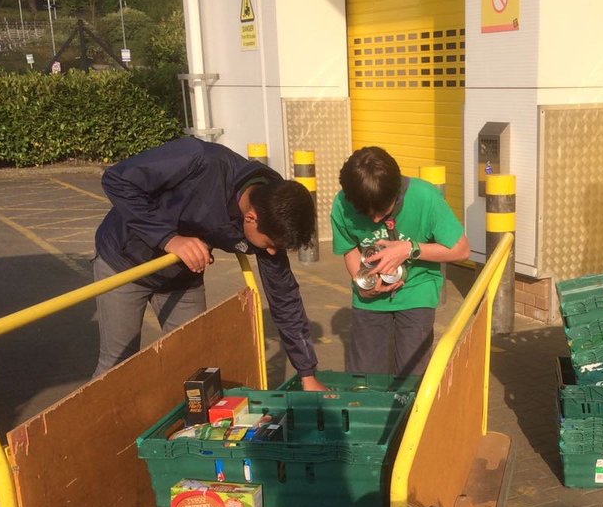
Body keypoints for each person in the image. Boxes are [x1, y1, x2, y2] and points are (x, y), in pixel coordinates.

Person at [92, 136, 325, 388]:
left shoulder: (274, 210)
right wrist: (168, 238)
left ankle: (185, 426)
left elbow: (284, 295)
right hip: (125, 263)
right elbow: (116, 179)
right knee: (117, 369)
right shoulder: (198, 159)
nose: (271, 253)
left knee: (196, 370)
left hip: (182, 275)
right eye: (269, 245)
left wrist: (307, 374)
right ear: (251, 217)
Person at [330, 146, 471, 376]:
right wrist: (361, 281)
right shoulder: (342, 204)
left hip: (417, 290)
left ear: (397, 192)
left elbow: (461, 250)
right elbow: (349, 248)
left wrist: (409, 249)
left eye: (382, 212)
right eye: (366, 213)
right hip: (369, 300)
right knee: (365, 376)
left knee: (411, 374)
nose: (375, 219)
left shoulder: (425, 197)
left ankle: (408, 412)